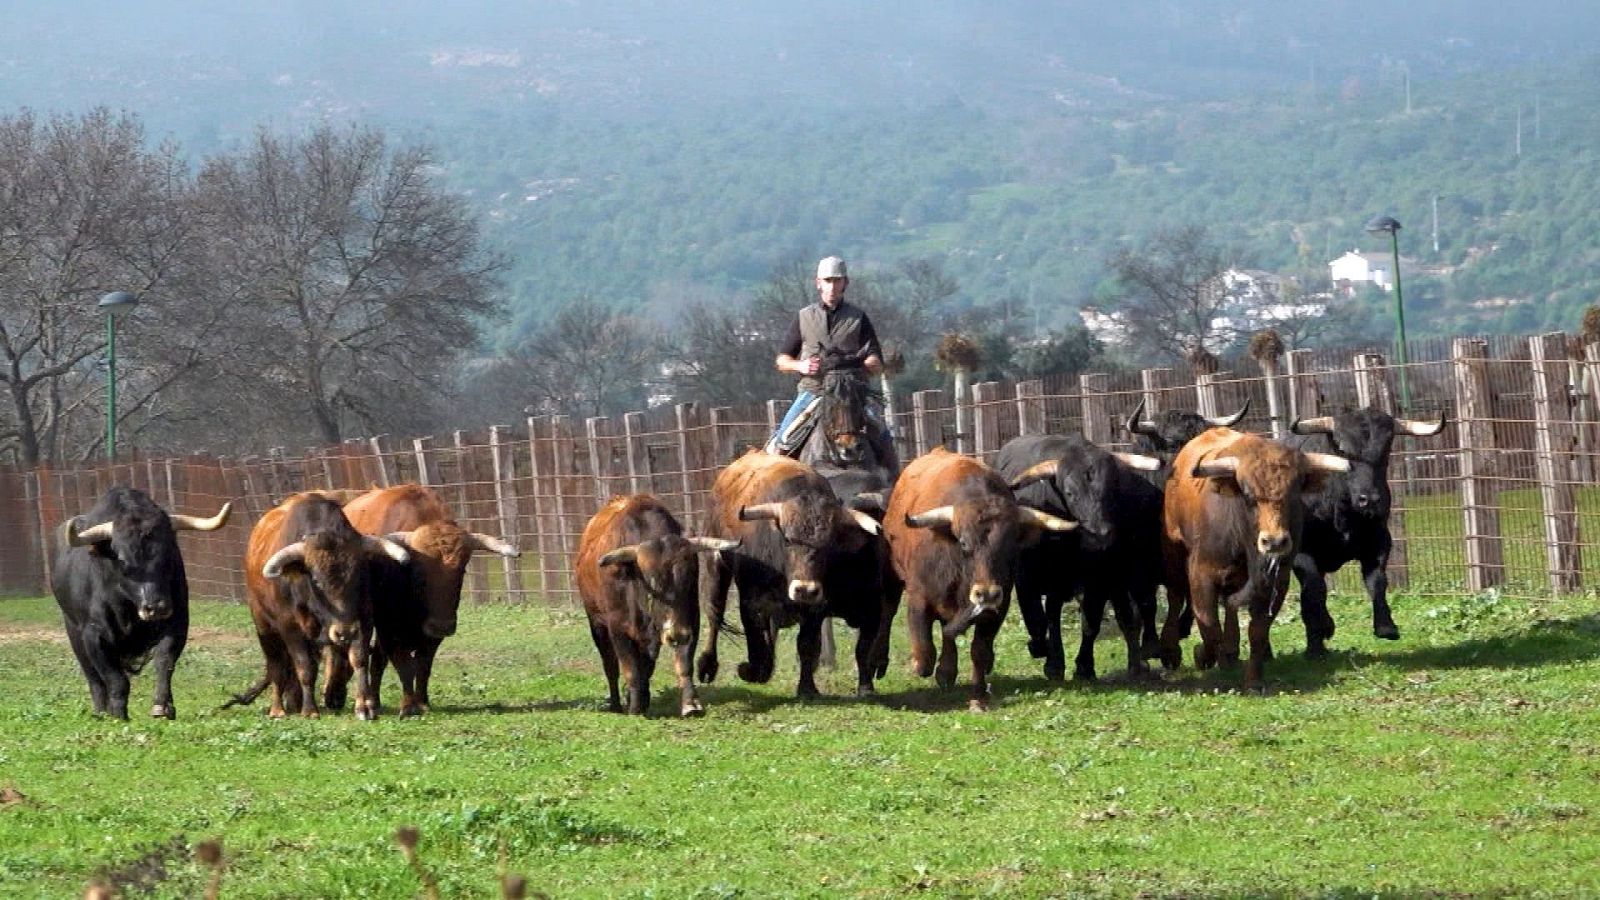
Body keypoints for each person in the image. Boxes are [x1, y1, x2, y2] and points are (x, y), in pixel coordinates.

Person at [766, 256, 895, 467]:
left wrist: (867, 364)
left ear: (846, 282)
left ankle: (895, 486)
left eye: (837, 280)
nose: (832, 286)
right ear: (818, 283)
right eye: (827, 280)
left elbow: (875, 356)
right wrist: (801, 365)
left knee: (884, 436)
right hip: (813, 392)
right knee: (781, 442)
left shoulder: (858, 317)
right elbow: (782, 360)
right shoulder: (804, 317)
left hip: (852, 394)